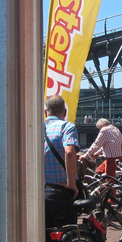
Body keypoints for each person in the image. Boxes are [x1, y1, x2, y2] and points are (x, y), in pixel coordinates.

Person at [44, 95, 79, 230]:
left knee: (44, 238)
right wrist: (71, 184)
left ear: (46, 112)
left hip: (40, 191)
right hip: (61, 191)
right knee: (66, 237)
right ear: (65, 112)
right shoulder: (66, 127)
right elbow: (69, 152)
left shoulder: (35, 128)